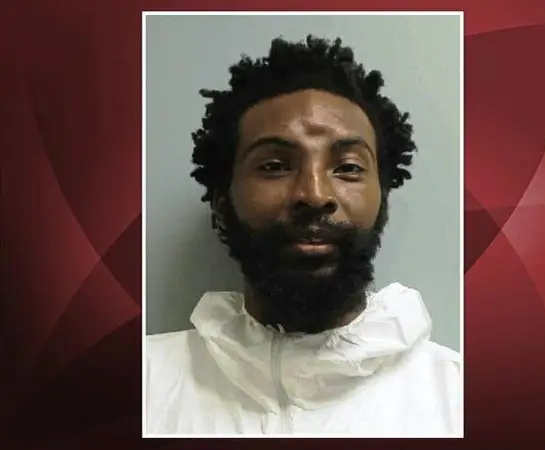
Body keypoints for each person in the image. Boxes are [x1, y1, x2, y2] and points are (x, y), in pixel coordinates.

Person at [145, 35, 461, 436]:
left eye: (348, 168)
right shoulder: (137, 385)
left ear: (383, 201)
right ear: (222, 201)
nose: (314, 195)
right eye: (274, 165)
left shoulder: (459, 399)